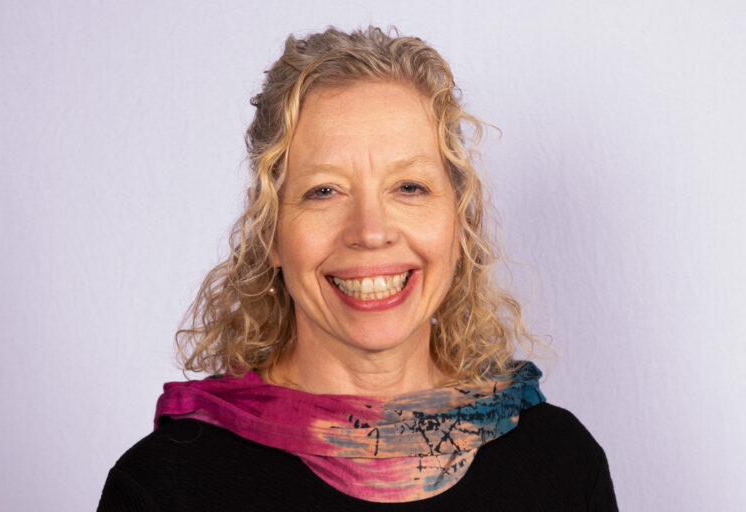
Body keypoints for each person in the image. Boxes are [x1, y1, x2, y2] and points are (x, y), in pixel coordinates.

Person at [97, 26, 618, 511]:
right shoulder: (164, 486)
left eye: (409, 187)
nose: (370, 231)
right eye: (324, 191)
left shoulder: (562, 464)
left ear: (460, 222)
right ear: (270, 231)